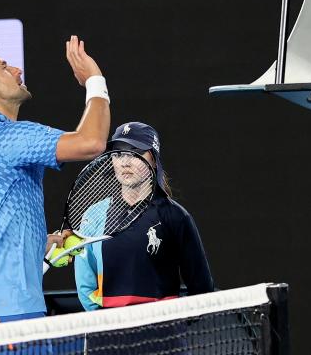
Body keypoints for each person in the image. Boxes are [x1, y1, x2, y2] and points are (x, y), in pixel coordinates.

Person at [0, 37, 110, 327]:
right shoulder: (10, 136)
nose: (18, 70)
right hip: (7, 314)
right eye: (4, 67)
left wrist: (31, 243)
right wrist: (95, 80)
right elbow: (91, 142)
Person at [75, 121, 213, 311]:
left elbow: (201, 287)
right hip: (108, 332)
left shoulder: (176, 216)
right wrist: (101, 320)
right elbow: (85, 283)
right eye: (118, 154)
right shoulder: (94, 215)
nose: (125, 162)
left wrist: (172, 322)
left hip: (161, 331)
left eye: (136, 152)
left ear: (154, 160)